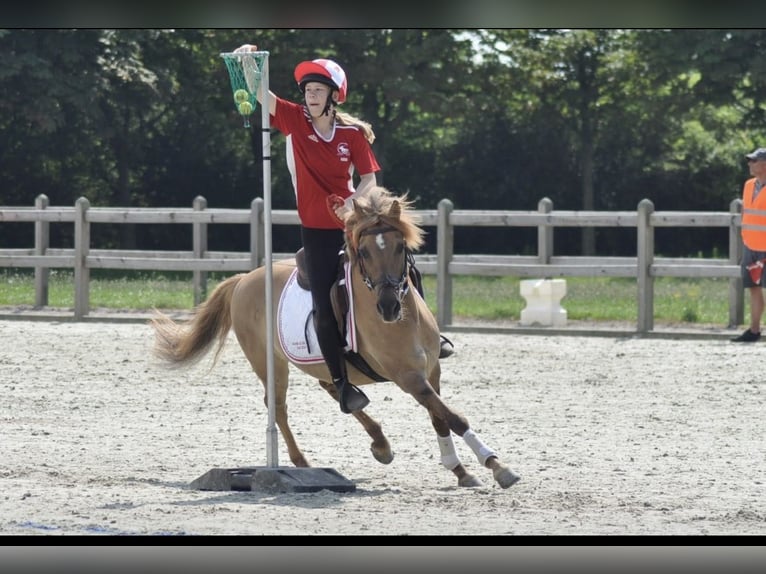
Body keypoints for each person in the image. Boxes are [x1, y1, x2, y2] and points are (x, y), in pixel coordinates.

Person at [233, 44, 454, 412]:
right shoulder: (293, 122)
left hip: (352, 225)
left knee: (404, 266)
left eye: (318, 91)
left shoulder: (351, 136)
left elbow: (369, 178)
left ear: (333, 97)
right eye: (307, 91)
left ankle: (431, 337)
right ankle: (340, 381)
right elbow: (262, 95)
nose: (310, 96)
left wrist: (353, 202)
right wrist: (246, 63)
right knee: (322, 302)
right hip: (316, 232)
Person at [732, 147, 766, 342]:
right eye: (750, 160)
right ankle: (754, 331)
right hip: (750, 245)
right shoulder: (747, 185)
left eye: (754, 160)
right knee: (753, 287)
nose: (749, 164)